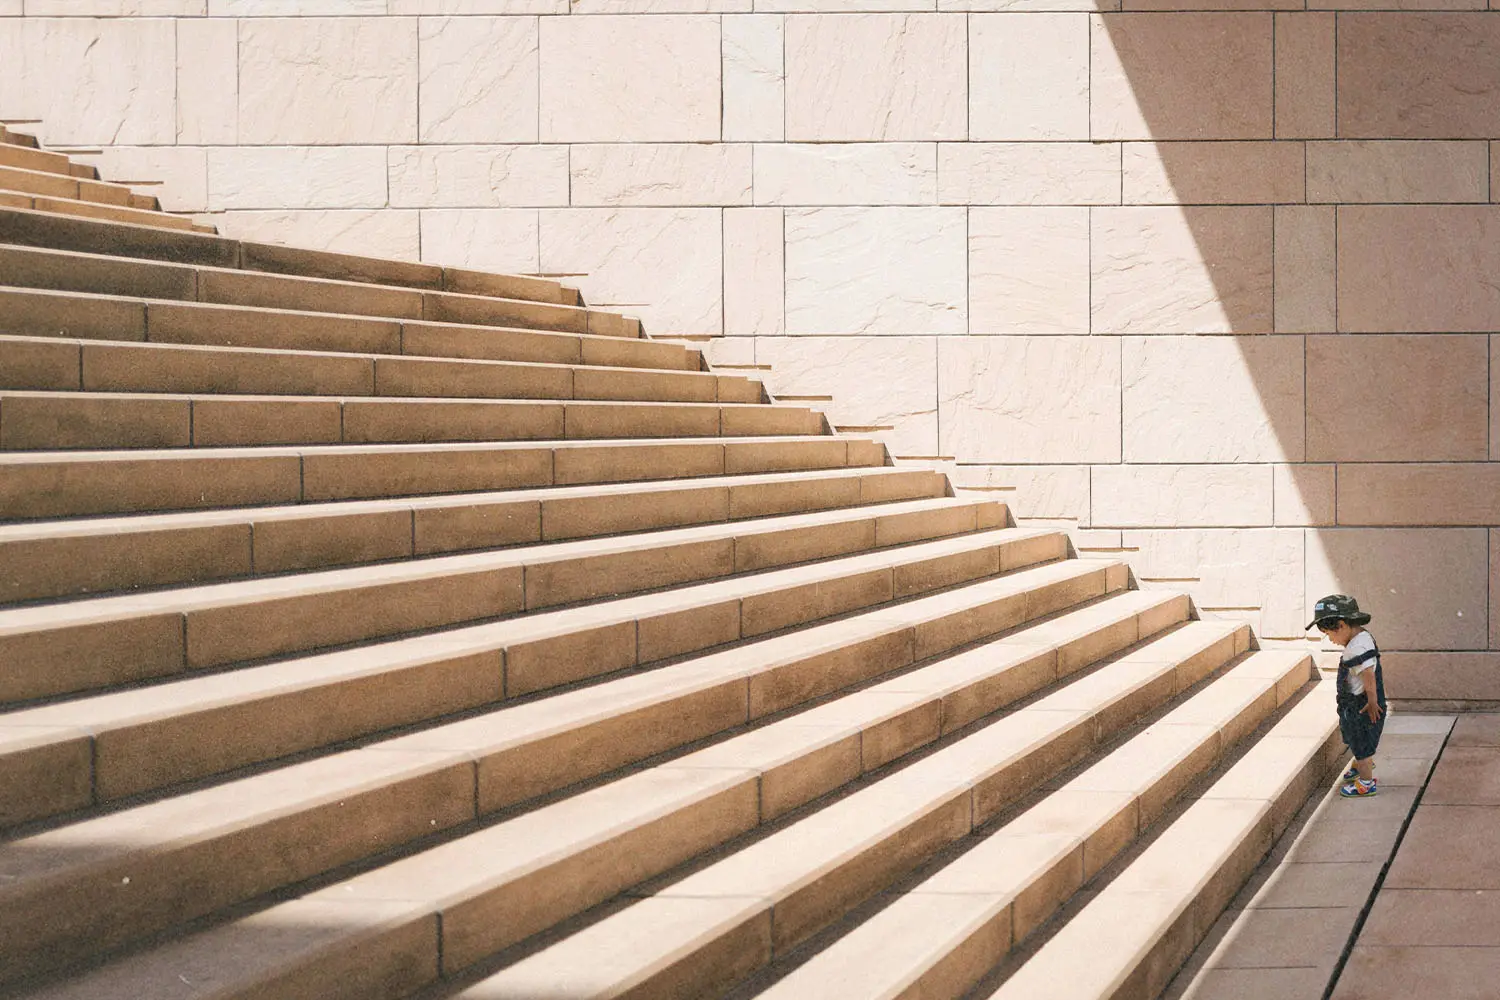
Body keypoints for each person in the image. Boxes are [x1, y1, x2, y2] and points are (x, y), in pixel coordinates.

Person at [1307, 594, 1385, 797]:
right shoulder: (1363, 637)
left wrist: (1372, 701)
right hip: (1357, 701)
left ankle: (1366, 782)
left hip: (1361, 704)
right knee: (1356, 738)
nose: (1330, 640)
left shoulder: (1356, 649)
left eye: (1329, 634)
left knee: (1361, 743)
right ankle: (1362, 764)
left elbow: (1369, 675)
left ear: (1341, 625)